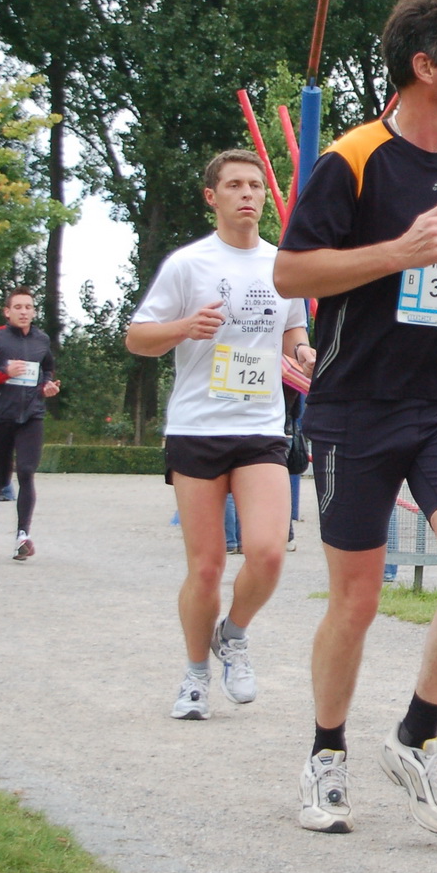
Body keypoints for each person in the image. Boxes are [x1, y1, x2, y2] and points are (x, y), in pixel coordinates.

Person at [274, 0, 437, 837]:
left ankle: (417, 733)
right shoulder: (352, 159)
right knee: (357, 598)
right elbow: (292, 277)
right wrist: (394, 254)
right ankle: (326, 754)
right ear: (425, 66)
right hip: (353, 406)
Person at [127, 149, 314, 721]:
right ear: (213, 197)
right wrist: (185, 327)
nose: (248, 195)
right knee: (206, 566)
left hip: (259, 428)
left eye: (256, 185)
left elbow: (294, 339)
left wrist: (305, 355)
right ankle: (194, 674)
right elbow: (138, 337)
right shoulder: (188, 265)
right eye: (234, 185)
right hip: (197, 427)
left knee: (267, 553)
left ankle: (232, 634)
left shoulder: (282, 265)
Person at [0, 287, 60, 560]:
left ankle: (22, 536)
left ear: (34, 311)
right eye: (18, 307)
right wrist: (2, 372)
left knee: (26, 471)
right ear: (7, 312)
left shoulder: (42, 340)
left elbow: (47, 368)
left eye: (28, 307)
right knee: (3, 476)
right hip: (0, 416)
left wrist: (47, 385)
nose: (24, 312)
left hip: (32, 415)